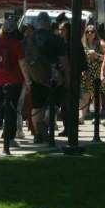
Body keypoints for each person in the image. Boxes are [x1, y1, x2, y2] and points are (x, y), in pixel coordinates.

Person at [24, 11, 67, 144]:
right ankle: (44, 124)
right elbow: (64, 60)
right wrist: (67, 77)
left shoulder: (28, 38)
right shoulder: (56, 39)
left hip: (34, 77)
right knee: (53, 104)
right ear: (48, 23)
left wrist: (27, 79)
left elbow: (23, 61)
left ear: (37, 23)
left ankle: (37, 134)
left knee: (36, 107)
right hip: (52, 77)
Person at [0, 17, 27, 149]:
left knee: (0, 105)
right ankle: (9, 137)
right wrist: (28, 80)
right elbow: (22, 64)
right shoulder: (17, 44)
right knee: (12, 108)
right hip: (15, 80)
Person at [80, 23, 105, 121]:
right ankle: (82, 116)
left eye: (92, 31)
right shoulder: (82, 44)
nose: (90, 33)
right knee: (85, 95)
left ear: (96, 33)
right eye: (87, 31)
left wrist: (97, 55)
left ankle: (96, 116)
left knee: (96, 95)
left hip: (97, 72)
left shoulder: (101, 44)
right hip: (86, 72)